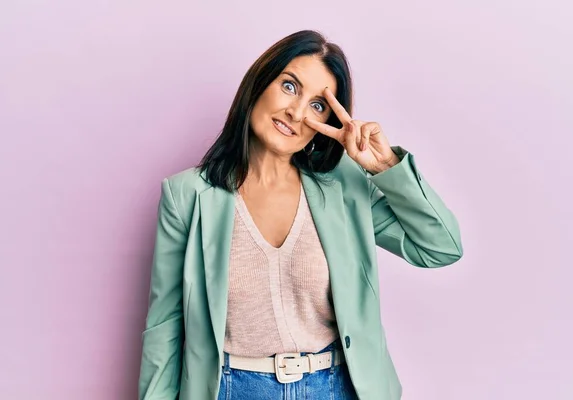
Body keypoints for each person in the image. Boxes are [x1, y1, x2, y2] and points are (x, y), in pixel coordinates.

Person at [138, 29, 463, 400]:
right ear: (259, 84)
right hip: (231, 388)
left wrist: (386, 166)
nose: (296, 112)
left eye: (318, 105)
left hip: (336, 387)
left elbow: (441, 247)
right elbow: (165, 325)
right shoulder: (188, 195)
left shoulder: (345, 188)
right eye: (290, 86)